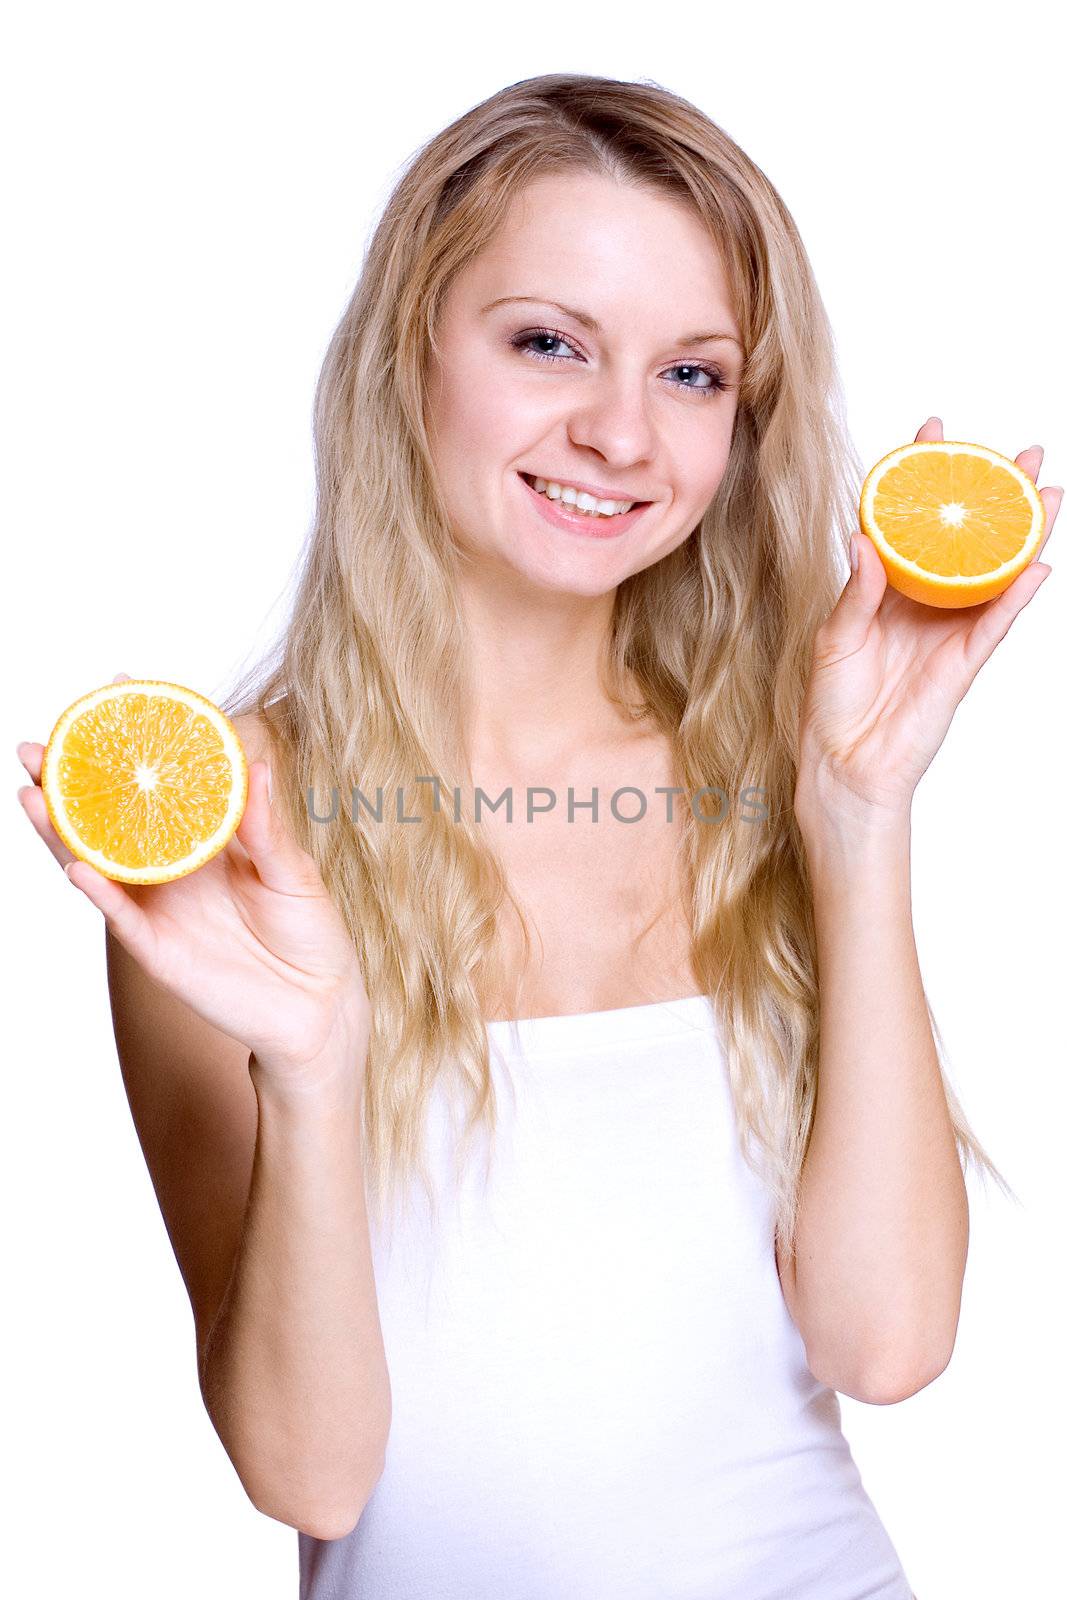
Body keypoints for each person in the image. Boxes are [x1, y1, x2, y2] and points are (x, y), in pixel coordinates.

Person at [16, 72, 1058, 1600]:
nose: (622, 433)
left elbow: (888, 1344)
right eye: (549, 343)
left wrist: (857, 817)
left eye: (696, 376)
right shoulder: (218, 832)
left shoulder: (783, 770)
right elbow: (310, 1476)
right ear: (410, 351)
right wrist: (317, 1068)